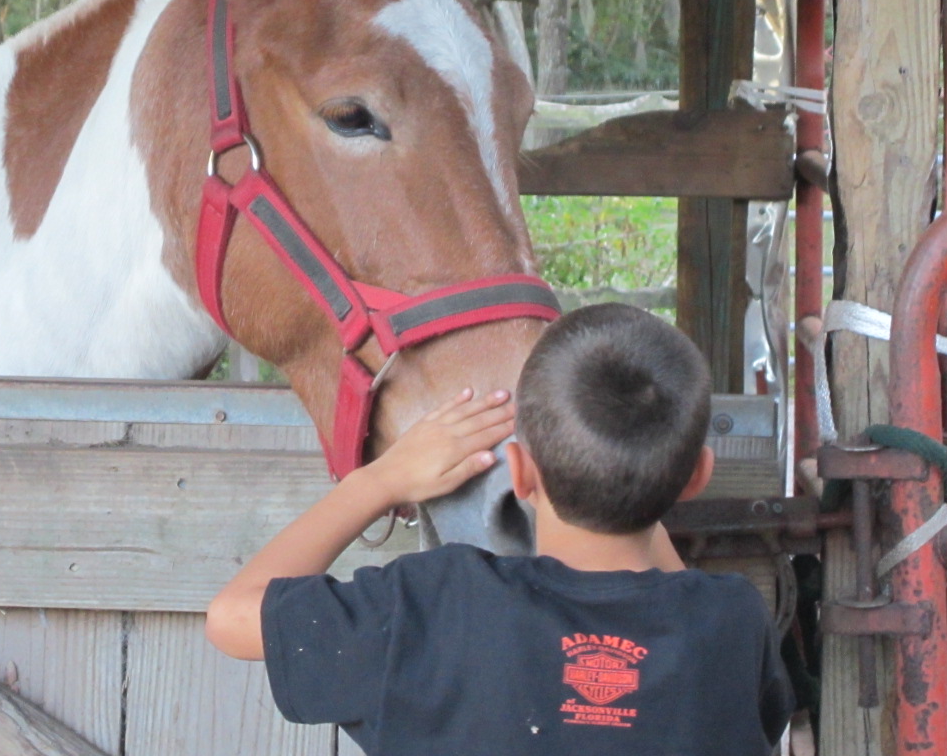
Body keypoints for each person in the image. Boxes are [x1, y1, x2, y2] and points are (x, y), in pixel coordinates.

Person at [205, 302, 796, 755]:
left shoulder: (431, 607)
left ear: (518, 470)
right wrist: (646, 487)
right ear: (697, 477)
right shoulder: (732, 623)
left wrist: (379, 480)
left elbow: (231, 617)